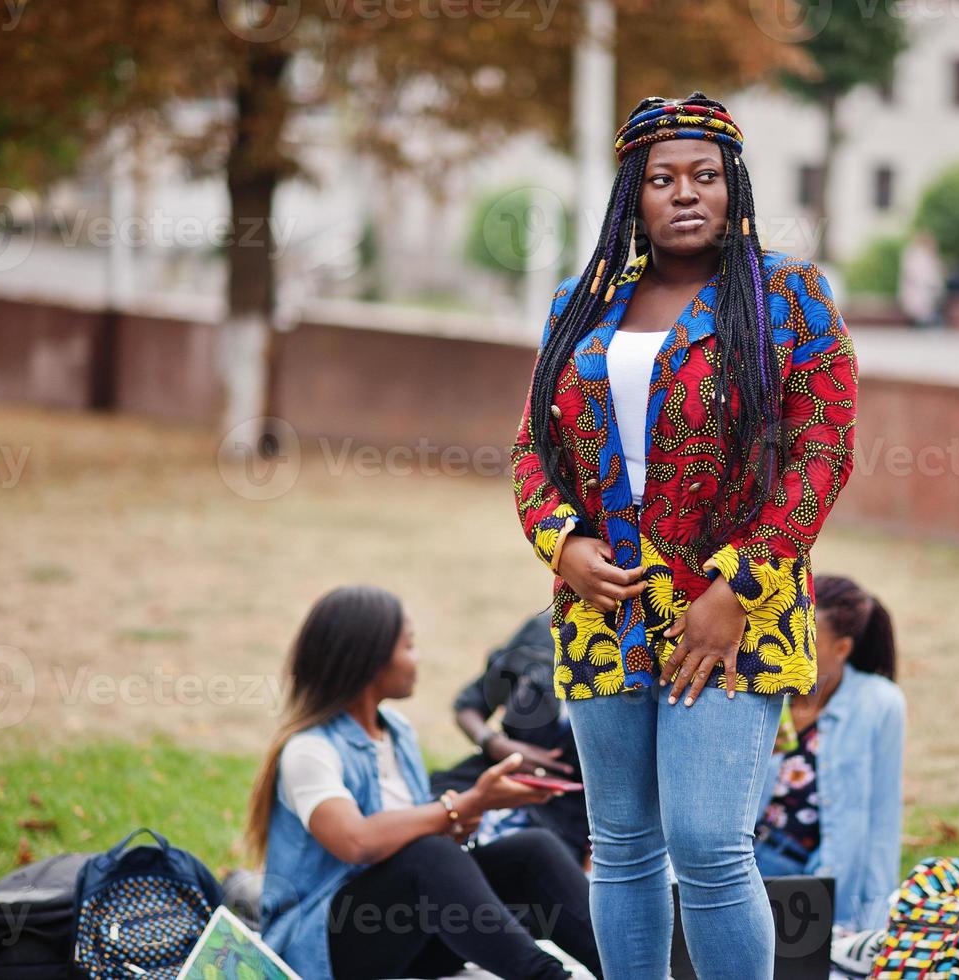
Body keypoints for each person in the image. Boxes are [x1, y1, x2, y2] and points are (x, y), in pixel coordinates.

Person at [510, 91, 859, 979]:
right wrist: (562, 544)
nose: (685, 193)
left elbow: (821, 454)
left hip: (734, 612)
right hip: (603, 609)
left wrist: (733, 592)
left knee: (706, 841)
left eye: (704, 175)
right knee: (622, 841)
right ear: (633, 196)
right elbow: (531, 450)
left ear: (733, 186)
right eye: (661, 179)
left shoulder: (789, 298)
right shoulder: (580, 305)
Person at [245, 585, 604, 980]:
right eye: (408, 647)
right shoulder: (309, 751)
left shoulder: (395, 732)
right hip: (326, 946)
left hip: (408, 937)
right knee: (429, 856)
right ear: (372, 661)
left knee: (531, 851)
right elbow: (358, 841)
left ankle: (629, 968)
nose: (417, 660)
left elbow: (409, 841)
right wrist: (464, 806)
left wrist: (457, 823)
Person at [751, 575, 904, 932]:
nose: (789, 645)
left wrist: (873, 919)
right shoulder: (765, 684)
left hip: (806, 875)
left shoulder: (879, 703)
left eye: (806, 638)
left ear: (842, 649)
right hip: (736, 860)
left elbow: (882, 816)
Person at [430, 608, 590, 862]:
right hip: (489, 778)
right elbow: (468, 705)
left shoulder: (635, 645)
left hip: (564, 815)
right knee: (421, 817)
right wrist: (495, 744)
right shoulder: (542, 630)